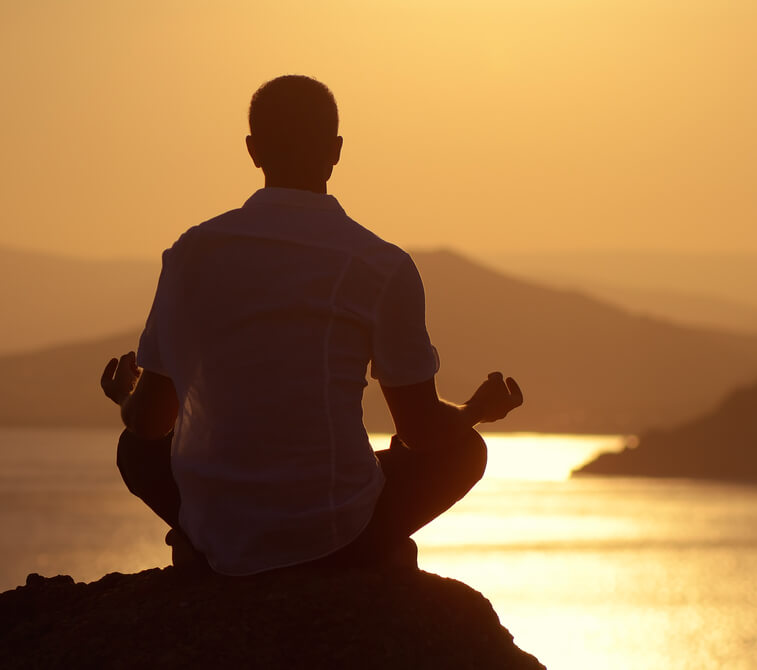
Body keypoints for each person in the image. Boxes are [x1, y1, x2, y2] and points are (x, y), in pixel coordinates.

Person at [99, 75, 522, 576]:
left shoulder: (190, 253)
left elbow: (149, 423)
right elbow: (422, 431)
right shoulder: (381, 265)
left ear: (253, 151)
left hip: (219, 527)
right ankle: (368, 555)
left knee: (135, 448)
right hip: (334, 535)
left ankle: (206, 543)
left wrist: (128, 394)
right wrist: (476, 408)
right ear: (336, 151)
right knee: (464, 452)